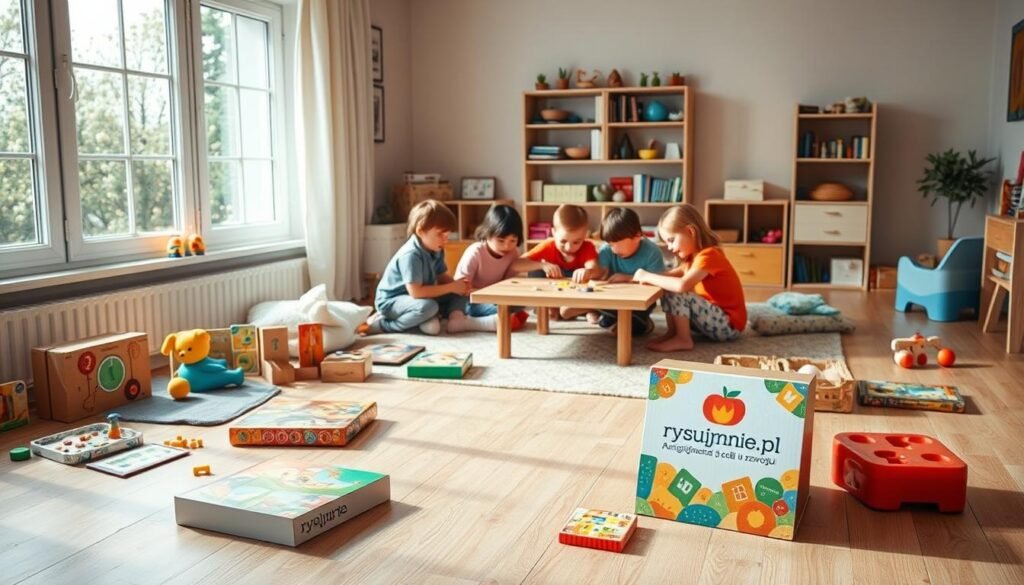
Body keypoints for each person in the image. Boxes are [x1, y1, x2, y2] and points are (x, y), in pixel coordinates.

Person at [634, 204, 747, 351]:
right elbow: (667, 276)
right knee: (668, 285)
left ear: (690, 231)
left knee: (676, 288)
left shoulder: (709, 255)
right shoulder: (691, 259)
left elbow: (682, 285)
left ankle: (683, 339)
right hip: (713, 319)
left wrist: (646, 275)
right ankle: (673, 333)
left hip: (728, 325)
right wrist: (635, 277)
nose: (668, 247)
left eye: (671, 240)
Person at [359, 200, 470, 335]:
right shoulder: (411, 255)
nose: (445, 240)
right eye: (440, 234)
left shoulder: (436, 247)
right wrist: (451, 287)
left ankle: (454, 320)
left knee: (458, 295)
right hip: (393, 300)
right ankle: (384, 325)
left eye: (447, 236)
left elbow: (440, 276)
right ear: (421, 231)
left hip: (418, 298)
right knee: (429, 307)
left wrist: (459, 286)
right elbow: (416, 292)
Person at [451, 204, 556, 332]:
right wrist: (489, 294)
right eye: (501, 240)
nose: (507, 246)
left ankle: (500, 320)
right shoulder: (476, 252)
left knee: (518, 306)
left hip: (496, 299)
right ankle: (470, 323)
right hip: (472, 301)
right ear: (487, 233)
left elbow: (507, 283)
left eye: (513, 241)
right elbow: (461, 288)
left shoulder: (512, 253)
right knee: (504, 311)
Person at [594, 207, 666, 334]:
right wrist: (589, 272)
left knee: (632, 329)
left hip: (639, 302)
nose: (614, 250)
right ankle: (610, 316)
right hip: (614, 298)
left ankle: (644, 323)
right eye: (610, 244)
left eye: (618, 243)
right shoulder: (606, 249)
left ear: (637, 236)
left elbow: (658, 285)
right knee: (603, 320)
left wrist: (629, 278)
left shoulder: (652, 252)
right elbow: (601, 273)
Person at [523, 204, 600, 319]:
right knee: (535, 270)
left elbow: (596, 270)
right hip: (553, 293)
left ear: (585, 235)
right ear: (553, 233)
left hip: (575, 295)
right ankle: (554, 308)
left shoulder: (587, 247)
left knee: (565, 310)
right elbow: (517, 264)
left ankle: (585, 309)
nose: (569, 248)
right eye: (563, 241)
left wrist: (587, 271)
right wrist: (542, 265)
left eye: (576, 242)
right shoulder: (548, 245)